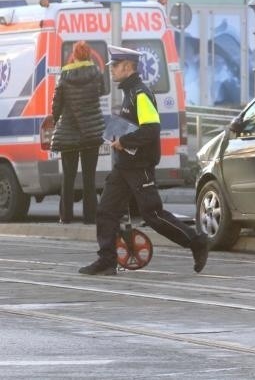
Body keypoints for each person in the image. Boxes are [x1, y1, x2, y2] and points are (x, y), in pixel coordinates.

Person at [79, 45, 208, 275]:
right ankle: (107, 260)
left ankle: (196, 242)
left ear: (128, 67)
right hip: (125, 166)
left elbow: (151, 129)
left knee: (154, 215)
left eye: (115, 66)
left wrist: (124, 141)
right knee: (106, 210)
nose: (112, 70)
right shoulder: (130, 93)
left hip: (139, 166)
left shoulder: (140, 94)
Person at [50, 41, 105, 224]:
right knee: (89, 177)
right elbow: (102, 91)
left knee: (68, 176)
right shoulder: (96, 73)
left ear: (74, 55)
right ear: (89, 55)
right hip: (91, 132)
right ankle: (90, 217)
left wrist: (55, 118)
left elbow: (56, 104)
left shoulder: (65, 75)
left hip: (68, 133)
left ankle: (66, 216)